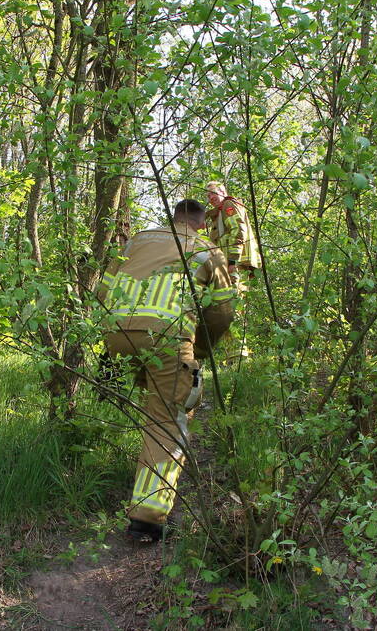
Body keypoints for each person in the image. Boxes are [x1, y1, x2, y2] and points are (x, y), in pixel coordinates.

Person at [98, 199, 235, 542]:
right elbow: (221, 313)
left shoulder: (137, 240)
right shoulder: (207, 249)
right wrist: (199, 351)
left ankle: (138, 477)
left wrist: (110, 337)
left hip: (117, 333)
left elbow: (102, 290)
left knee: (153, 407)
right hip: (166, 338)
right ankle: (148, 517)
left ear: (172, 218)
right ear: (201, 223)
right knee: (167, 420)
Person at [206, 181, 261, 281]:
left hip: (235, 264)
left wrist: (232, 261)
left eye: (213, 193)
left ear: (222, 192)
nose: (211, 198)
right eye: (208, 196)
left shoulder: (228, 205)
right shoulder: (219, 212)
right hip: (230, 264)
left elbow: (238, 231)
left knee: (234, 295)